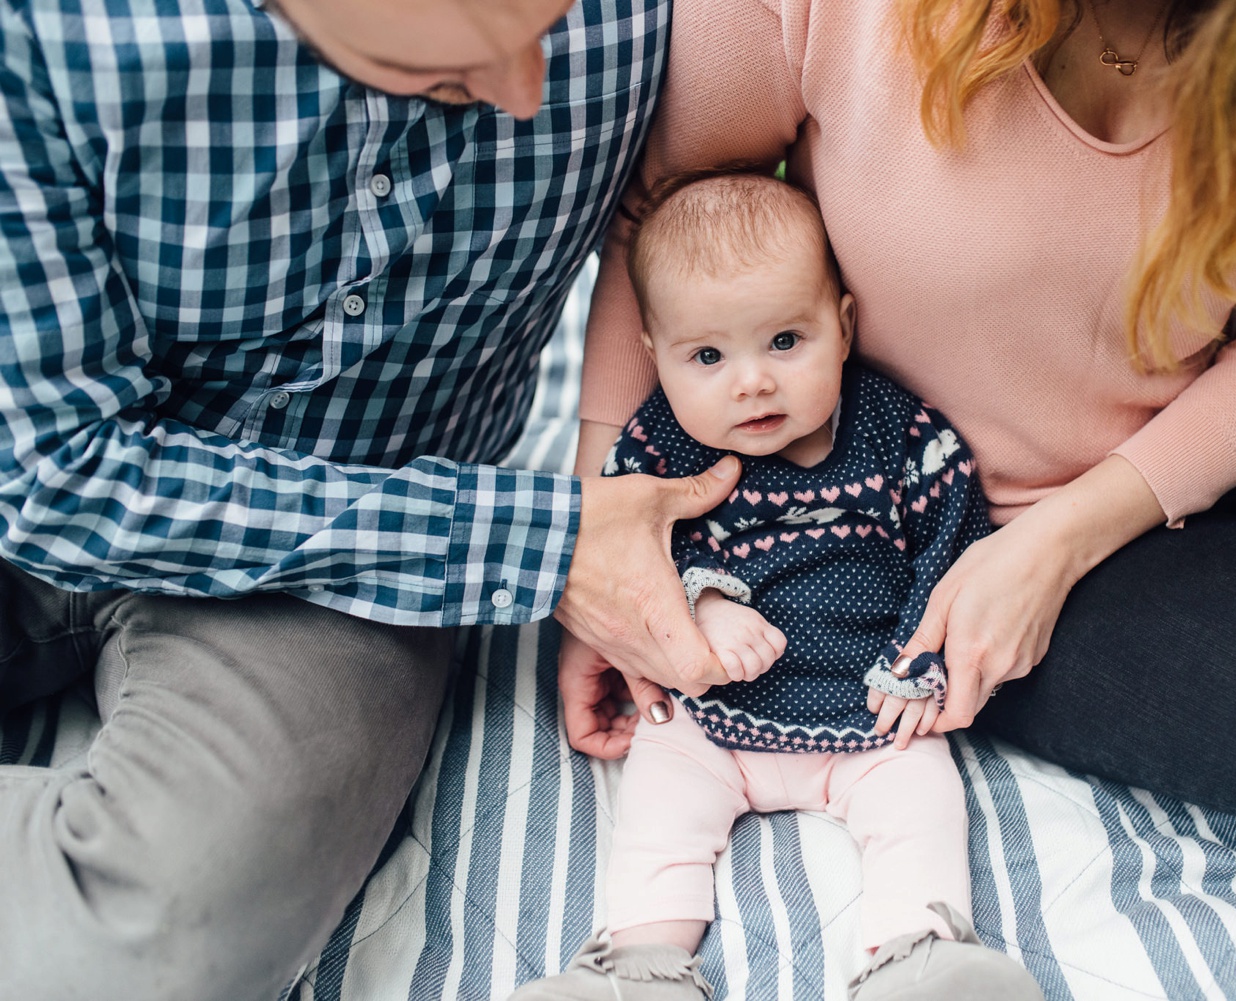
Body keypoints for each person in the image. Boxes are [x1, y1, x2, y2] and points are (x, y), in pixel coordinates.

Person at [563, 0, 1236, 883]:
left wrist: (1071, 535)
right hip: (955, 536)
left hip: (1232, 390)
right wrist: (605, 531)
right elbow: (663, 205)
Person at [0, 0, 745, 997]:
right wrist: (542, 544)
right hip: (38, 464)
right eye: (440, 72)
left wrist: (595, 497)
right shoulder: (47, 32)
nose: (529, 93)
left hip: (358, 544)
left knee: (163, 937)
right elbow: (55, 472)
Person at [516, 173, 1040, 1001]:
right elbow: (630, 556)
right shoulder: (662, 445)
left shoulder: (896, 434)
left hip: (869, 720)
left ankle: (920, 954)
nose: (751, 381)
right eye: (709, 357)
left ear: (842, 327)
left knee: (923, 807)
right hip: (709, 717)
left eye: (785, 342)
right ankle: (639, 966)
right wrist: (702, 603)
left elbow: (953, 542)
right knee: (657, 814)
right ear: (655, 356)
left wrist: (919, 659)